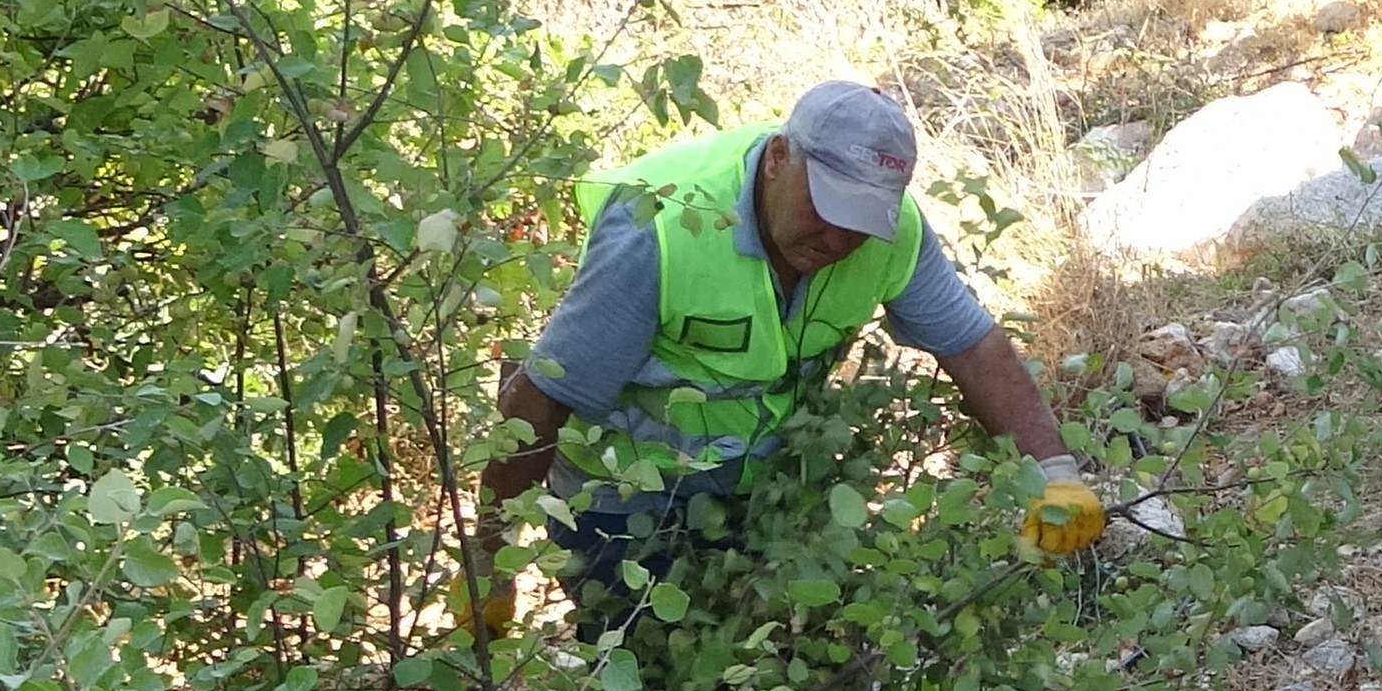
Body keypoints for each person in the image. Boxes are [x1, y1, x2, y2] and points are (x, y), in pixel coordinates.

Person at [469, 81, 1103, 628]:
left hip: (761, 487)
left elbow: (973, 347)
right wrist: (490, 560)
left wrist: (1055, 474)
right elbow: (544, 398)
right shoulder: (660, 230)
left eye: (860, 220)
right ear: (778, 158)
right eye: (826, 209)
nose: (838, 238)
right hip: (619, 496)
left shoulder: (889, 233)